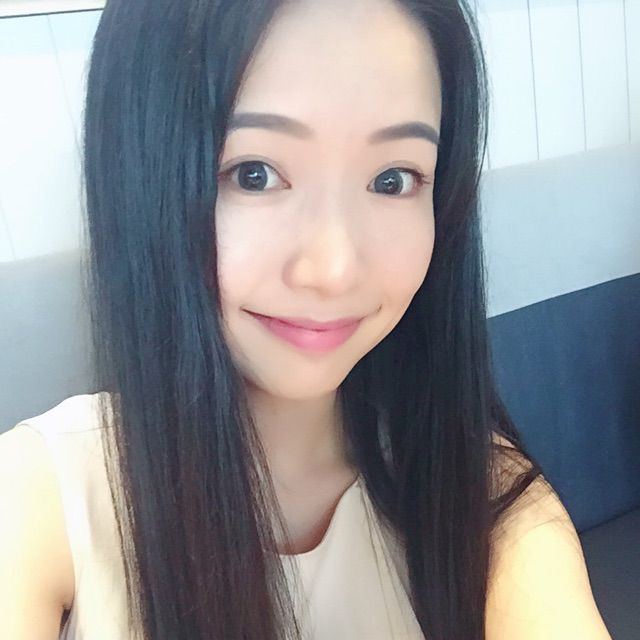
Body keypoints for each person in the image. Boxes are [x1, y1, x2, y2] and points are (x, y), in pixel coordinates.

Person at [0, 0, 612, 638]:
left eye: (393, 179)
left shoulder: (484, 491)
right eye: (254, 175)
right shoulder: (38, 500)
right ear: (139, 179)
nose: (335, 269)